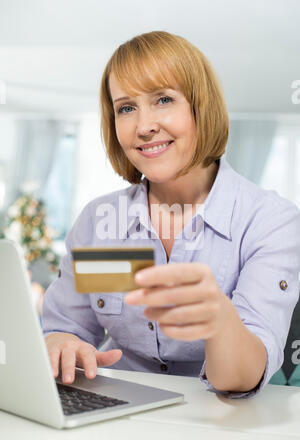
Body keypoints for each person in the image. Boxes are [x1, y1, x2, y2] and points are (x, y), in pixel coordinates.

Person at [42, 31, 300, 398]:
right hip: (115, 412)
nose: (144, 126)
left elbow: (242, 379)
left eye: (163, 99)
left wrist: (220, 321)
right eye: (126, 108)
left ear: (201, 107)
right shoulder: (98, 222)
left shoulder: (270, 221)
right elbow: (67, 326)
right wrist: (62, 344)